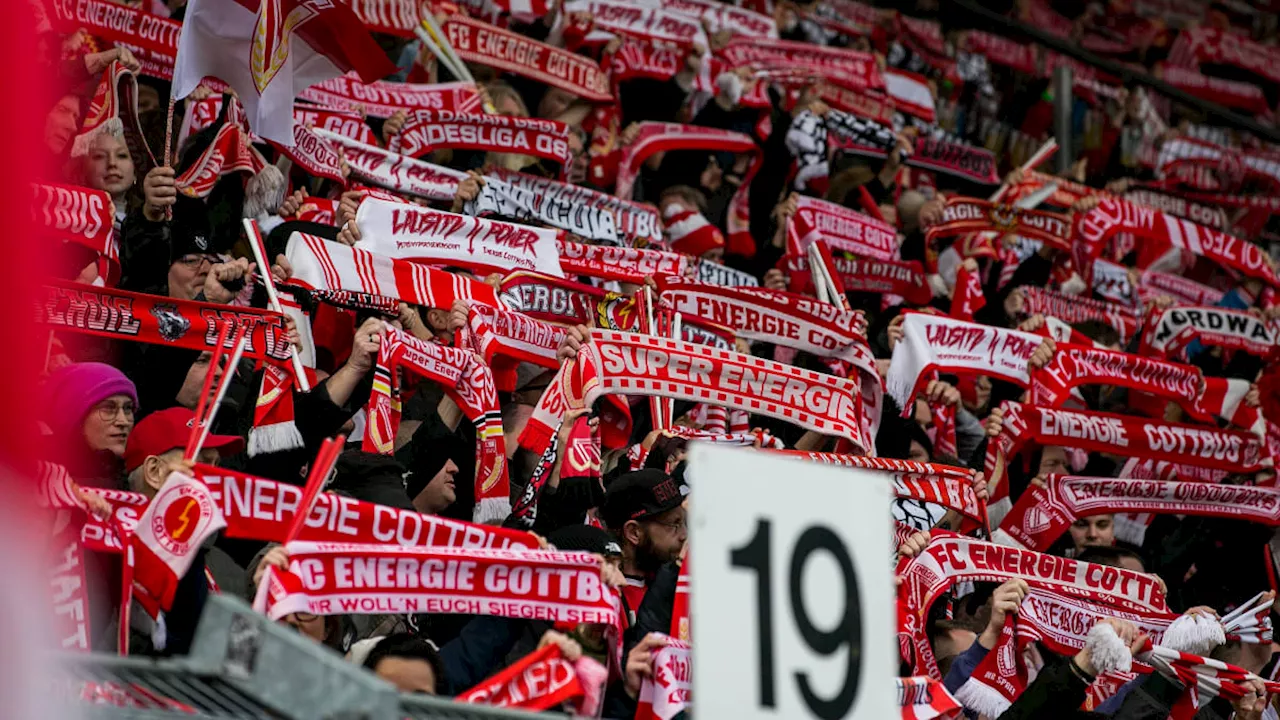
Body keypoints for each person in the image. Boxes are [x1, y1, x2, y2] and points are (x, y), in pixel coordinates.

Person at [599, 469, 687, 612]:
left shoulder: (674, 582)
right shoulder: (610, 600)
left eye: (684, 522)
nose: (684, 535)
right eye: (674, 525)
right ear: (634, 532)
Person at [40, 362, 138, 488]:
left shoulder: (137, 486)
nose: (123, 421)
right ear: (72, 415)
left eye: (128, 408)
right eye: (108, 408)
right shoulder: (30, 485)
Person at [122, 406, 246, 497]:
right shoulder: (108, 531)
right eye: (202, 463)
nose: (216, 477)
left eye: (217, 464)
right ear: (154, 471)